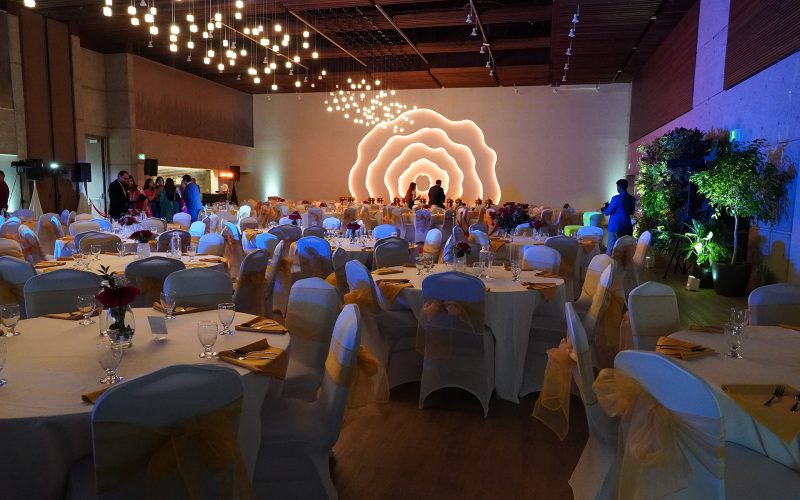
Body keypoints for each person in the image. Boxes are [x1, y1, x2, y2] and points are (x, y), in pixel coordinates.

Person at [604, 178, 636, 255]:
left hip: (615, 227)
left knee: (611, 250)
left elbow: (608, 212)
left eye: (617, 187)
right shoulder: (632, 198)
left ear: (619, 187)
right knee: (624, 250)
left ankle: (610, 266)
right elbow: (631, 211)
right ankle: (622, 266)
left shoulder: (616, 198)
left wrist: (605, 209)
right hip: (627, 227)